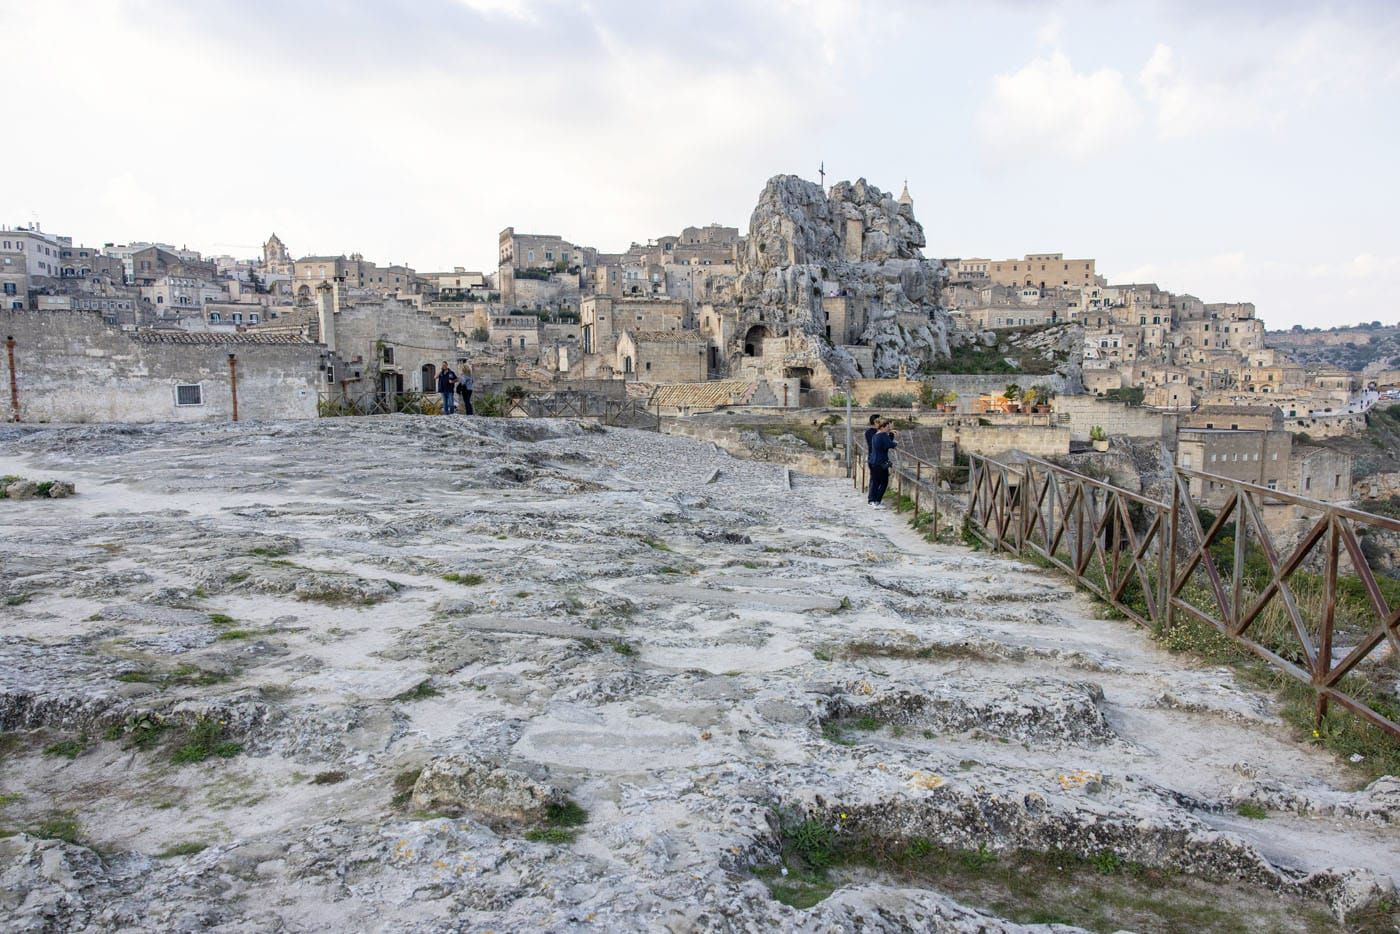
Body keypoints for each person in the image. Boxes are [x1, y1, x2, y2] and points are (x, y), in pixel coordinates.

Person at [867, 420, 898, 508]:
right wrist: (895, 443)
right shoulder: (883, 435)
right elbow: (890, 444)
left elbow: (885, 444)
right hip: (880, 462)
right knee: (884, 482)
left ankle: (871, 500)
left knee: (875, 482)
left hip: (873, 461)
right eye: (888, 427)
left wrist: (890, 435)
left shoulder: (875, 435)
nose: (889, 428)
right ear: (883, 427)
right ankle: (877, 501)